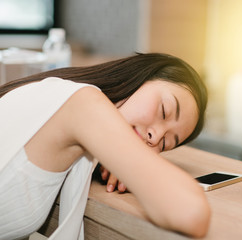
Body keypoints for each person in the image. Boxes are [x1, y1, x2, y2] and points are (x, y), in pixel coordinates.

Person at [0, 53, 210, 239]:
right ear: (140, 77)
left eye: (165, 144)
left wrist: (118, 159)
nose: (154, 137)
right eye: (164, 111)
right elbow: (190, 212)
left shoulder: (69, 102)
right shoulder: (83, 103)